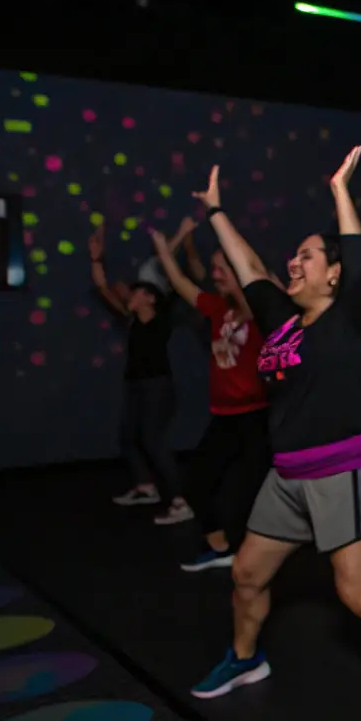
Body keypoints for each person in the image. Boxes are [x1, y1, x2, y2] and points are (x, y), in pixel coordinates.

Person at [188, 153, 361, 721]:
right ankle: (244, 659)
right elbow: (250, 266)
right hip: (287, 476)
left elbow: (359, 257)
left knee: (360, 594)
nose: (295, 260)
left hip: (352, 468)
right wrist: (215, 212)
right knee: (245, 574)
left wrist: (340, 191)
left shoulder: (354, 312)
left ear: (333, 273)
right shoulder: (282, 320)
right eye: (295, 254)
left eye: (307, 255)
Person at [149, 217, 271, 572]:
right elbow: (179, 282)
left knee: (253, 490)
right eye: (215, 268)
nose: (214, 275)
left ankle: (254, 553)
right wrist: (163, 250)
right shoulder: (219, 310)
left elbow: (258, 274)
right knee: (198, 482)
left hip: (256, 415)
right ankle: (220, 548)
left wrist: (219, 216)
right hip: (225, 416)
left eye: (222, 269)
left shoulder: (260, 311)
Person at [88, 222, 192, 525]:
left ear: (150, 298)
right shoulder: (131, 320)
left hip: (158, 388)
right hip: (136, 386)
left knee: (152, 440)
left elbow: (168, 269)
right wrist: (97, 258)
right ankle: (146, 487)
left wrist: (181, 233)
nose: (130, 295)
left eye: (136, 292)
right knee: (129, 437)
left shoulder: (161, 320)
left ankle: (180, 501)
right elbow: (102, 287)